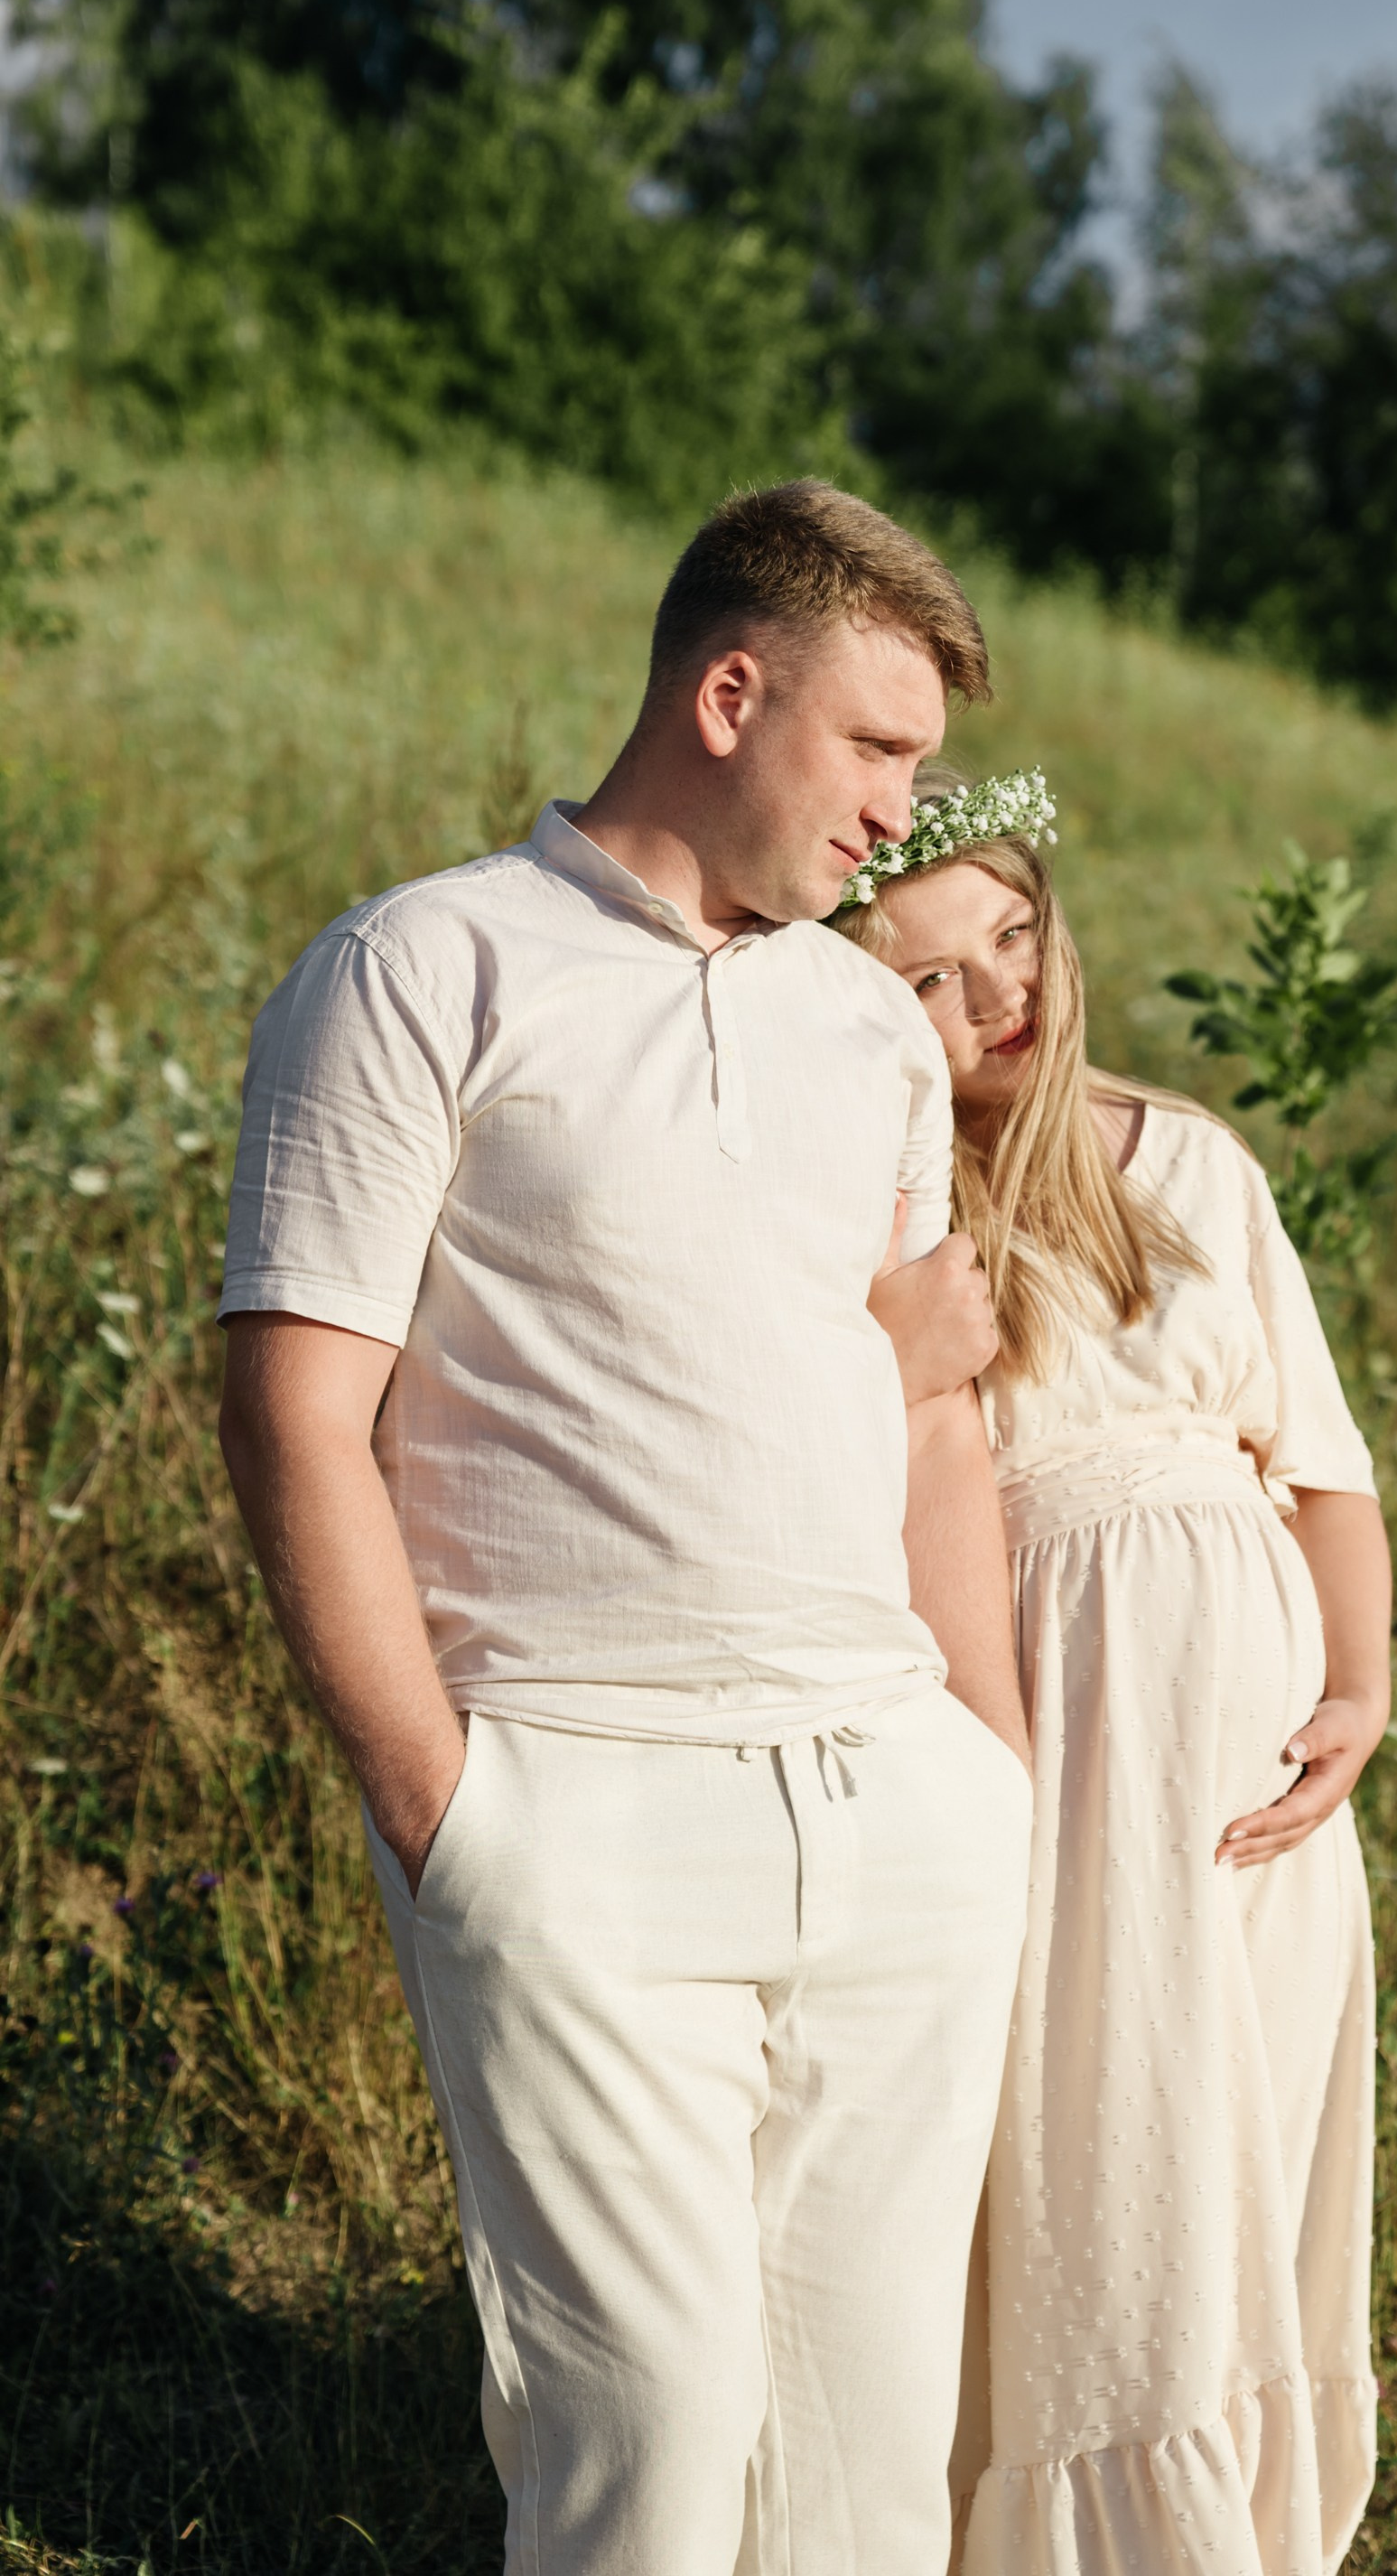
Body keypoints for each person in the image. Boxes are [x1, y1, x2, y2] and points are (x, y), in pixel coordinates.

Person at [215, 483, 1035, 2576]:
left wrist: (995, 1776)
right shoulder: (417, 965)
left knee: (863, 2481)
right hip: (574, 1802)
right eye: (876, 752)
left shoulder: (864, 1021)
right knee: (648, 2456)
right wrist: (443, 1813)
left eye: (922, 771)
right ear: (728, 690)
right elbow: (299, 1410)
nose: (899, 814)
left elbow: (928, 1414)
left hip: (894, 1804)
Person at [834, 772, 1390, 2576]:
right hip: (1063, 1737)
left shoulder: (1195, 1163)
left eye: (1011, 935)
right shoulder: (884, 1222)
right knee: (1107, 2148)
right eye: (923, 975)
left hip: (1252, 1767)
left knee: (1252, 2128)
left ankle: (1252, 2523)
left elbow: (1321, 1471)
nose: (990, 994)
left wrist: (1358, 1692)